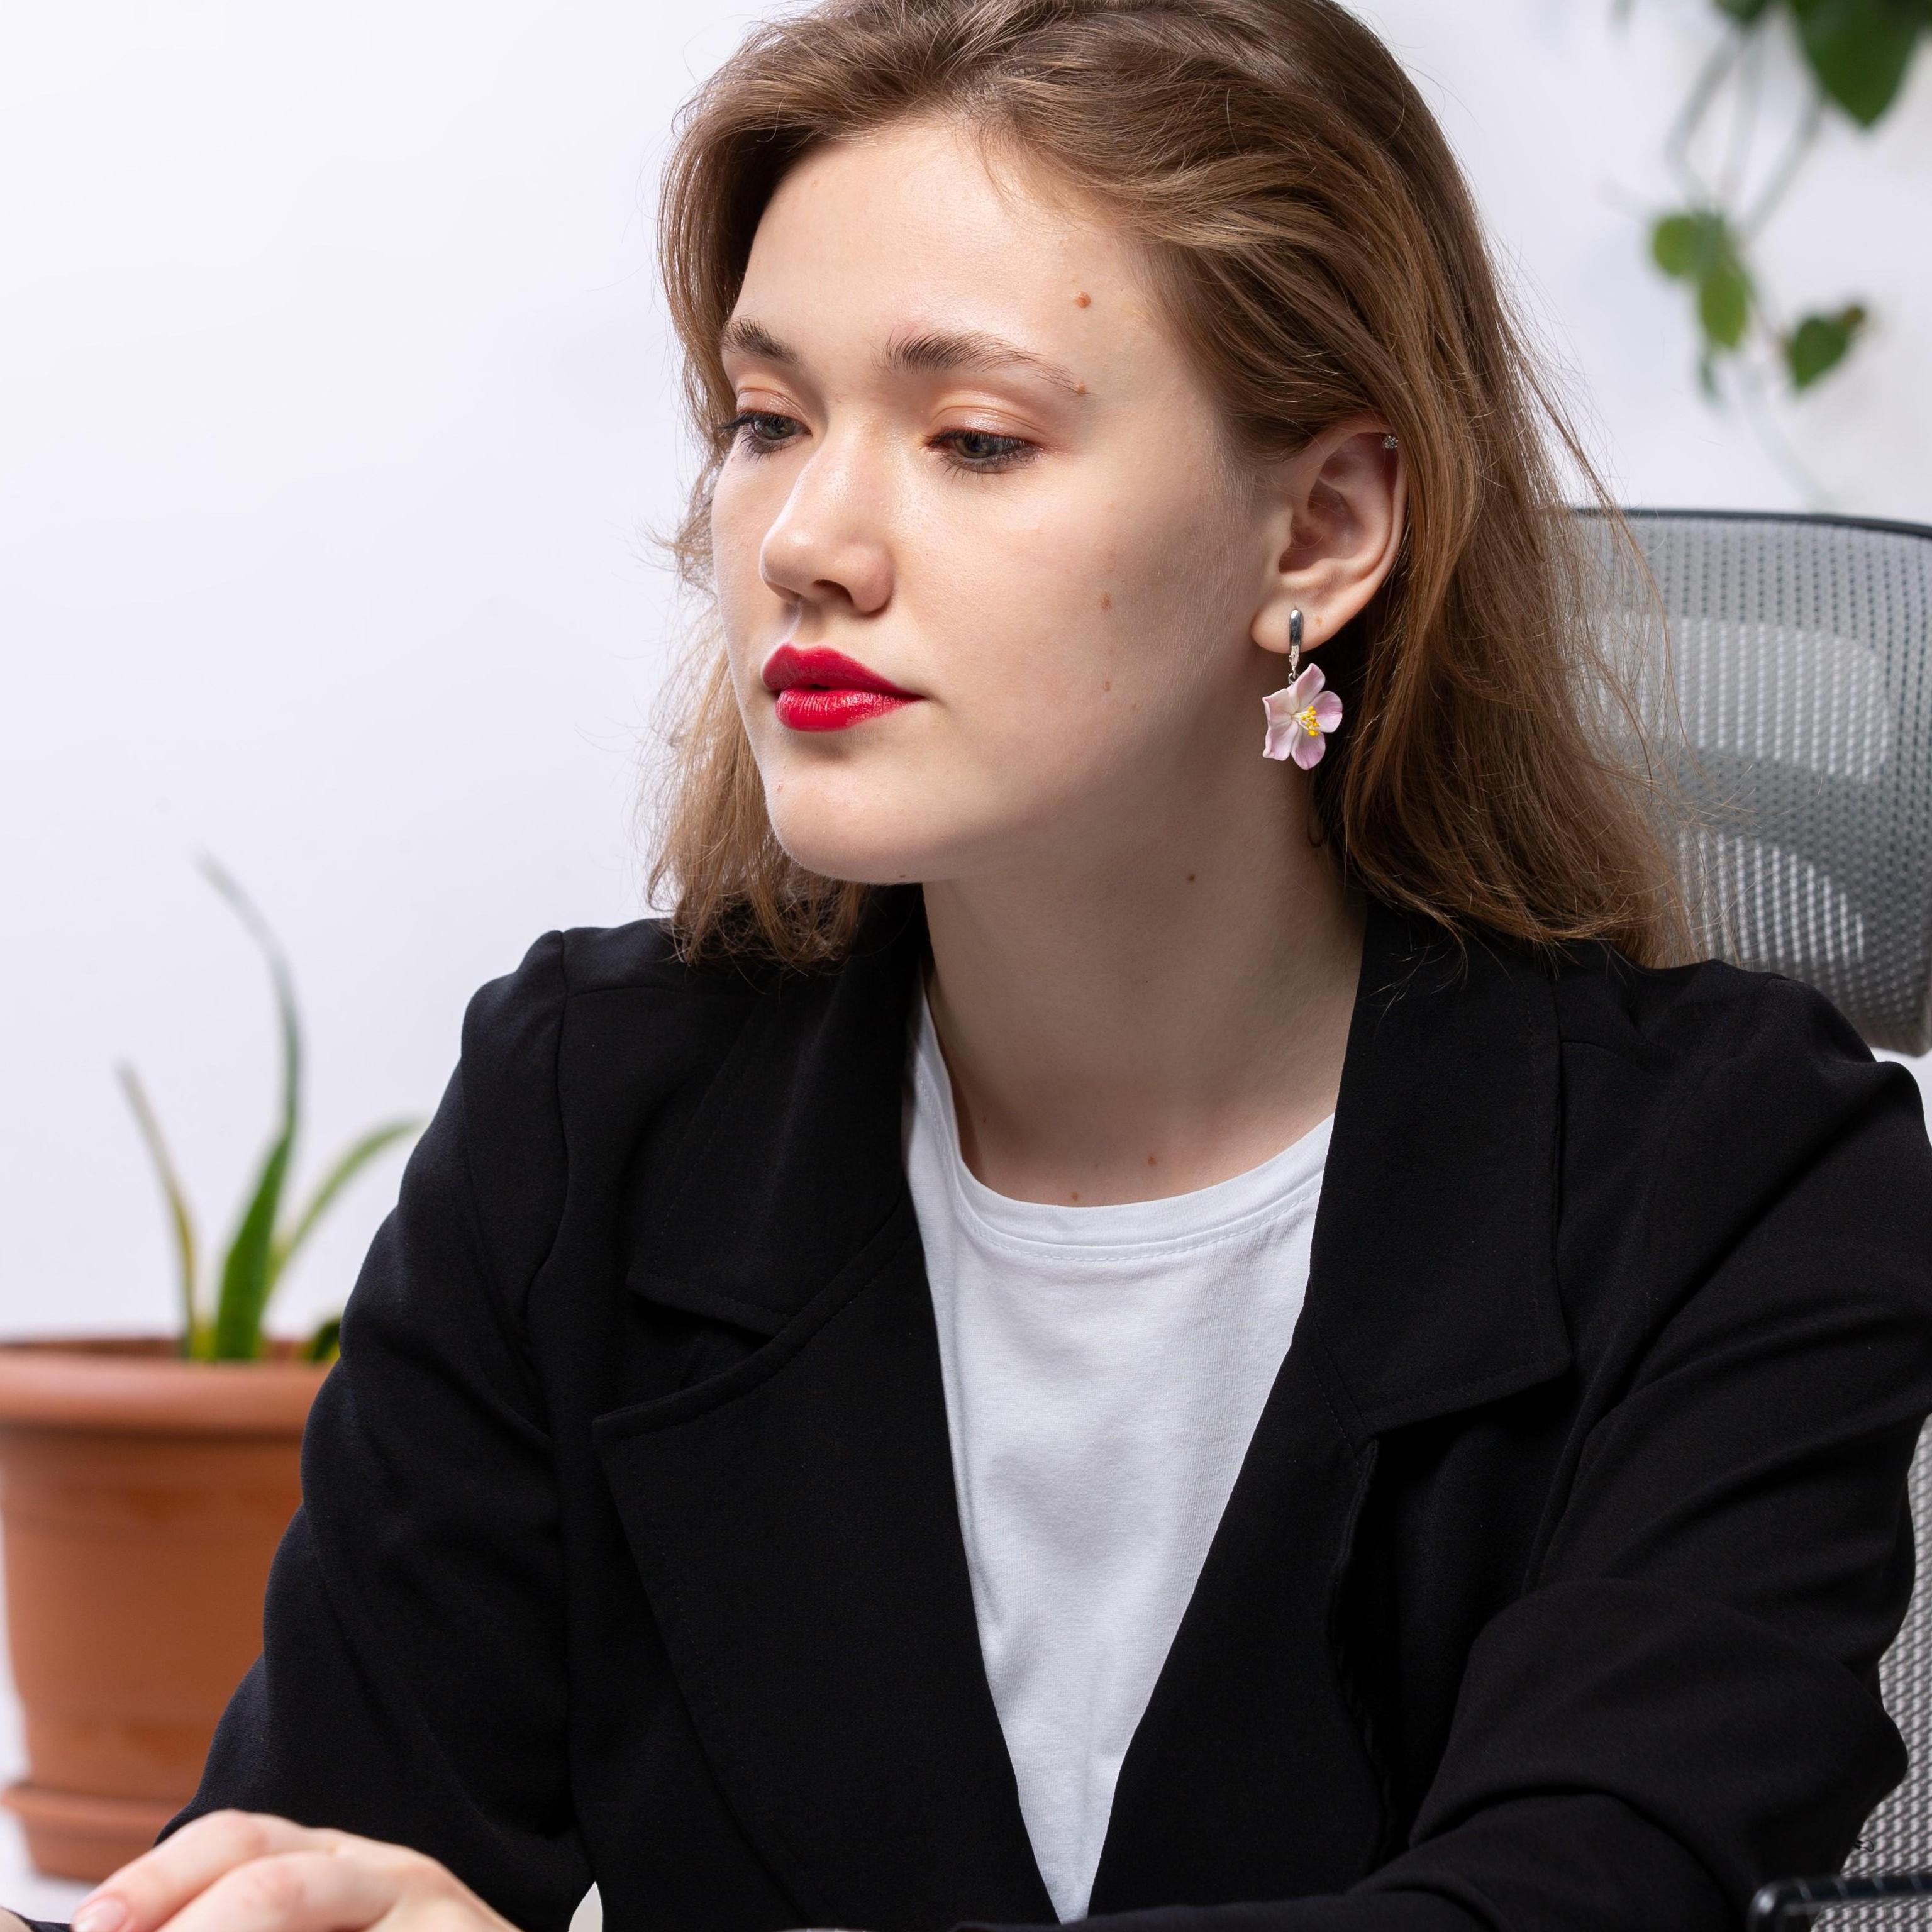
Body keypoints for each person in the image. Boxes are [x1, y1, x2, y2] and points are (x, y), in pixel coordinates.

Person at [14, 1, 1932, 1928]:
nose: (805, 542)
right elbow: (329, 1868)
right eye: (768, 422)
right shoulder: (585, 1121)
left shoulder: (1736, 1179)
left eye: (975, 439)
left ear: (1324, 530)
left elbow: (1568, 1903)